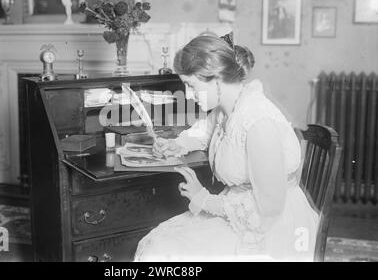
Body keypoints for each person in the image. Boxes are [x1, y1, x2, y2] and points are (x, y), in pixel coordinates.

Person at [134, 33, 319, 261]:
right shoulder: (228, 107)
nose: (190, 95)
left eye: (192, 86)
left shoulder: (258, 122)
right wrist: (176, 144)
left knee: (162, 253)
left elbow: (268, 209)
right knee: (160, 245)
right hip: (238, 209)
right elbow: (203, 132)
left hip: (271, 227)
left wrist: (203, 199)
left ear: (217, 79)